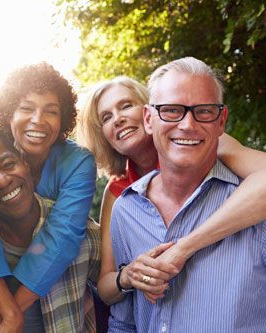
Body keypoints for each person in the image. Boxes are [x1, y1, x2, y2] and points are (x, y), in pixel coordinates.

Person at [77, 75, 266, 306]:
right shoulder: (118, 192)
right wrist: (128, 276)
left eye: (126, 105)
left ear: (149, 114)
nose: (117, 119)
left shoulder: (198, 141)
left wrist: (184, 248)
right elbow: (106, 286)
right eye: (106, 117)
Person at [0, 63, 97, 327]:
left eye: (51, 111)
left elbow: (63, 234)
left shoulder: (77, 162)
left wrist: (13, 313)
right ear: (9, 114)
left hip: (55, 283)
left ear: (63, 118)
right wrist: (7, 310)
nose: (38, 120)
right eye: (26, 108)